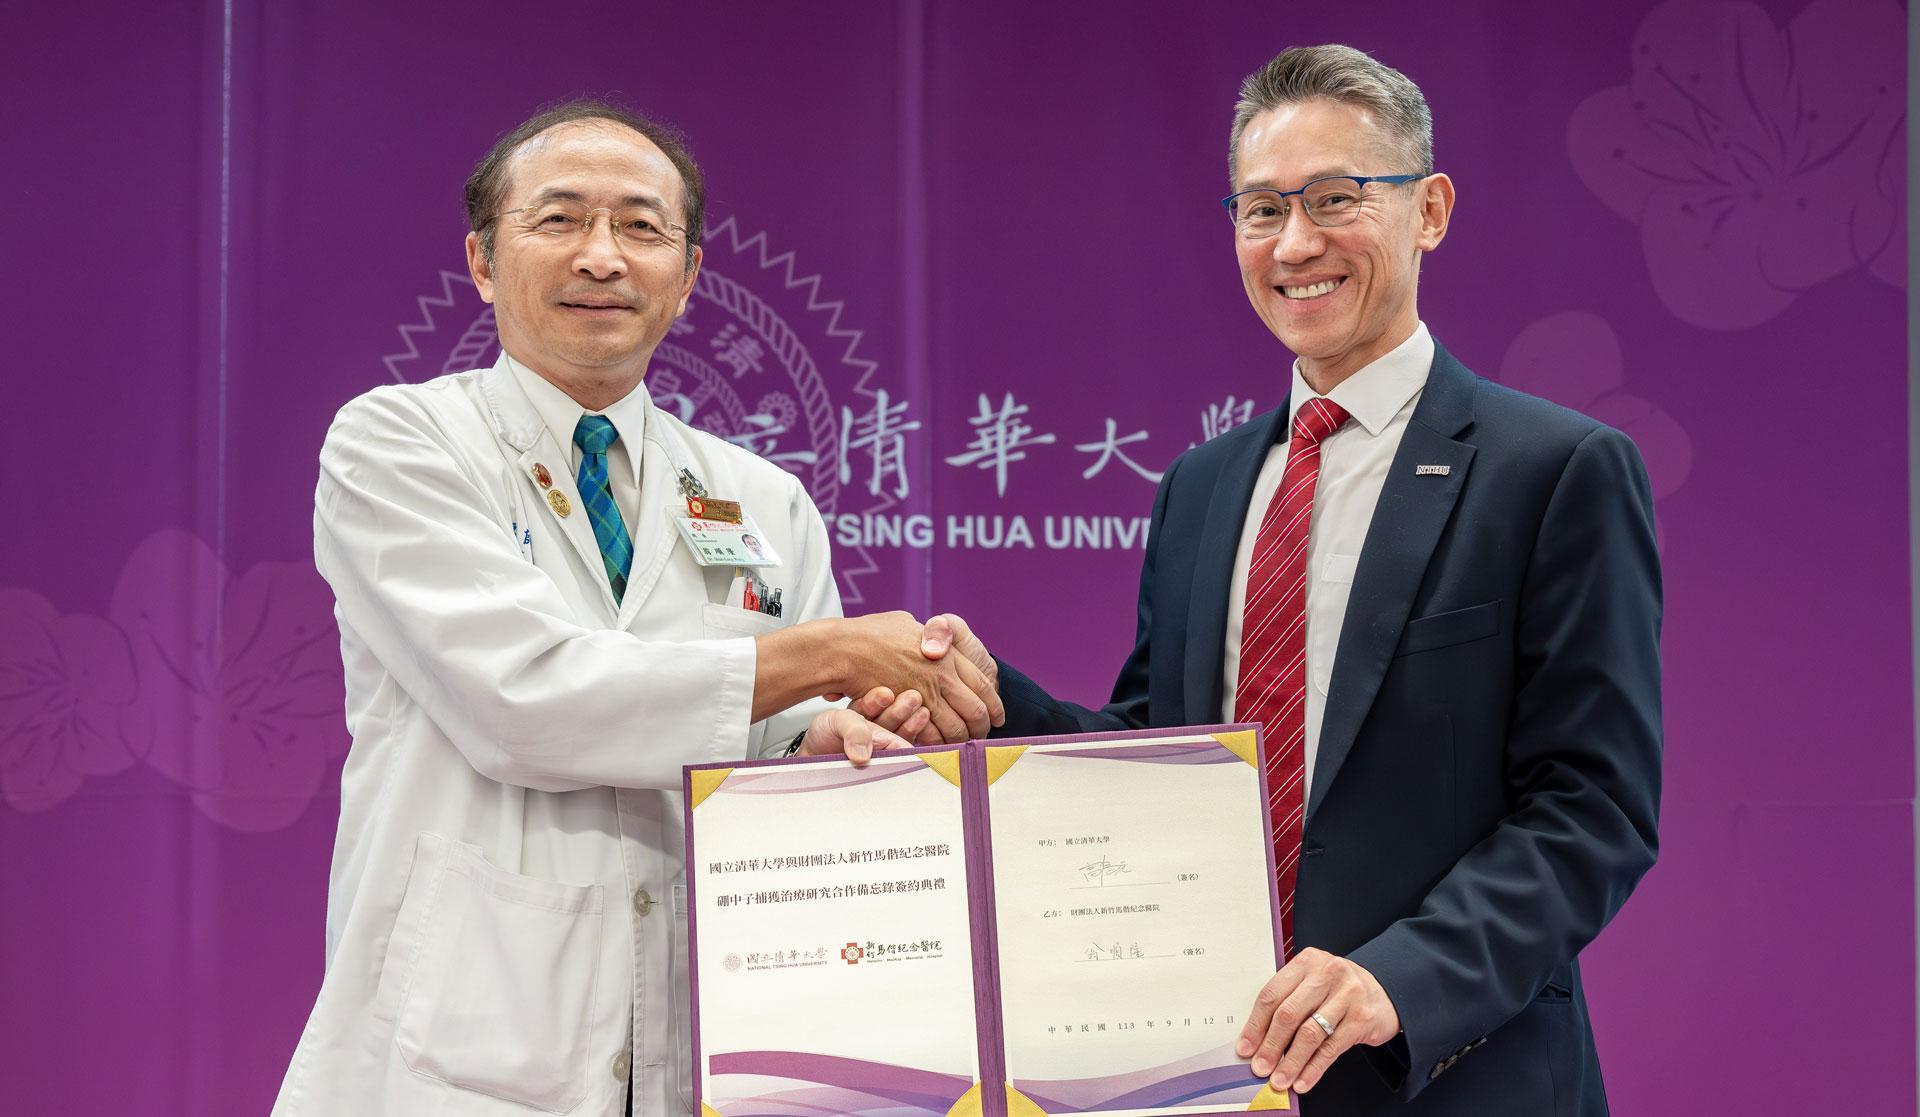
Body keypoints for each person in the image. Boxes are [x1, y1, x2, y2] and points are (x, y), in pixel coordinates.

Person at [925, 45, 1660, 1115]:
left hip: (1455, 1075)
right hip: (1208, 1073)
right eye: (1261, 209)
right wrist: (990, 704)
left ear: (1431, 209)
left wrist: (1395, 978)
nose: (1296, 243)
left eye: (1334, 198)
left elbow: (1593, 808)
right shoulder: (1203, 486)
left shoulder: (1553, 470)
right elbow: (1160, 754)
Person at [272, 100, 1000, 1117]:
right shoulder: (399, 444)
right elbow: (523, 700)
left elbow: (781, 735)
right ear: (483, 261)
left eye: (643, 228)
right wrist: (833, 655)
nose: (603, 257)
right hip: (453, 1053)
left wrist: (849, 730)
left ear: (689, 275)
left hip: (707, 1039)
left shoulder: (762, 498)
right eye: (559, 219)